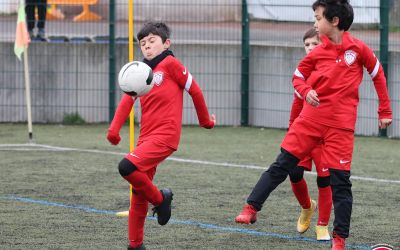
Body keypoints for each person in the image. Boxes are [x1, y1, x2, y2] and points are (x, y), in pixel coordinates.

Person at [235, 1, 392, 250]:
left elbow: (378, 74)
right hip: (309, 121)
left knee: (340, 182)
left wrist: (384, 110)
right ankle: (251, 207)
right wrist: (306, 90)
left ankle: (339, 239)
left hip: (340, 128)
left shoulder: (359, 49)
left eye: (318, 18)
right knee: (282, 164)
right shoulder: (317, 53)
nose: (315, 24)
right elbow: (297, 77)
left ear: (335, 21)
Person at [107, 21, 216, 250]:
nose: (147, 47)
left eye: (152, 41)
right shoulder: (141, 71)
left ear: (166, 43)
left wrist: (206, 121)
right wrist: (113, 130)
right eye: (143, 43)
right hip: (145, 138)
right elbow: (127, 100)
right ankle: (135, 246)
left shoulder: (170, 64)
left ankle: (160, 199)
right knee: (137, 193)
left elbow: (194, 90)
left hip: (165, 136)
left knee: (126, 167)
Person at [288, 27, 332, 241]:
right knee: (294, 173)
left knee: (325, 180)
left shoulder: (334, 69)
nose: (310, 48)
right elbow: (296, 106)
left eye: (315, 44)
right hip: (304, 133)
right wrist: (291, 132)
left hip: (325, 138)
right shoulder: (302, 73)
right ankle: (307, 207)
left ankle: (322, 225)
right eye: (307, 45)